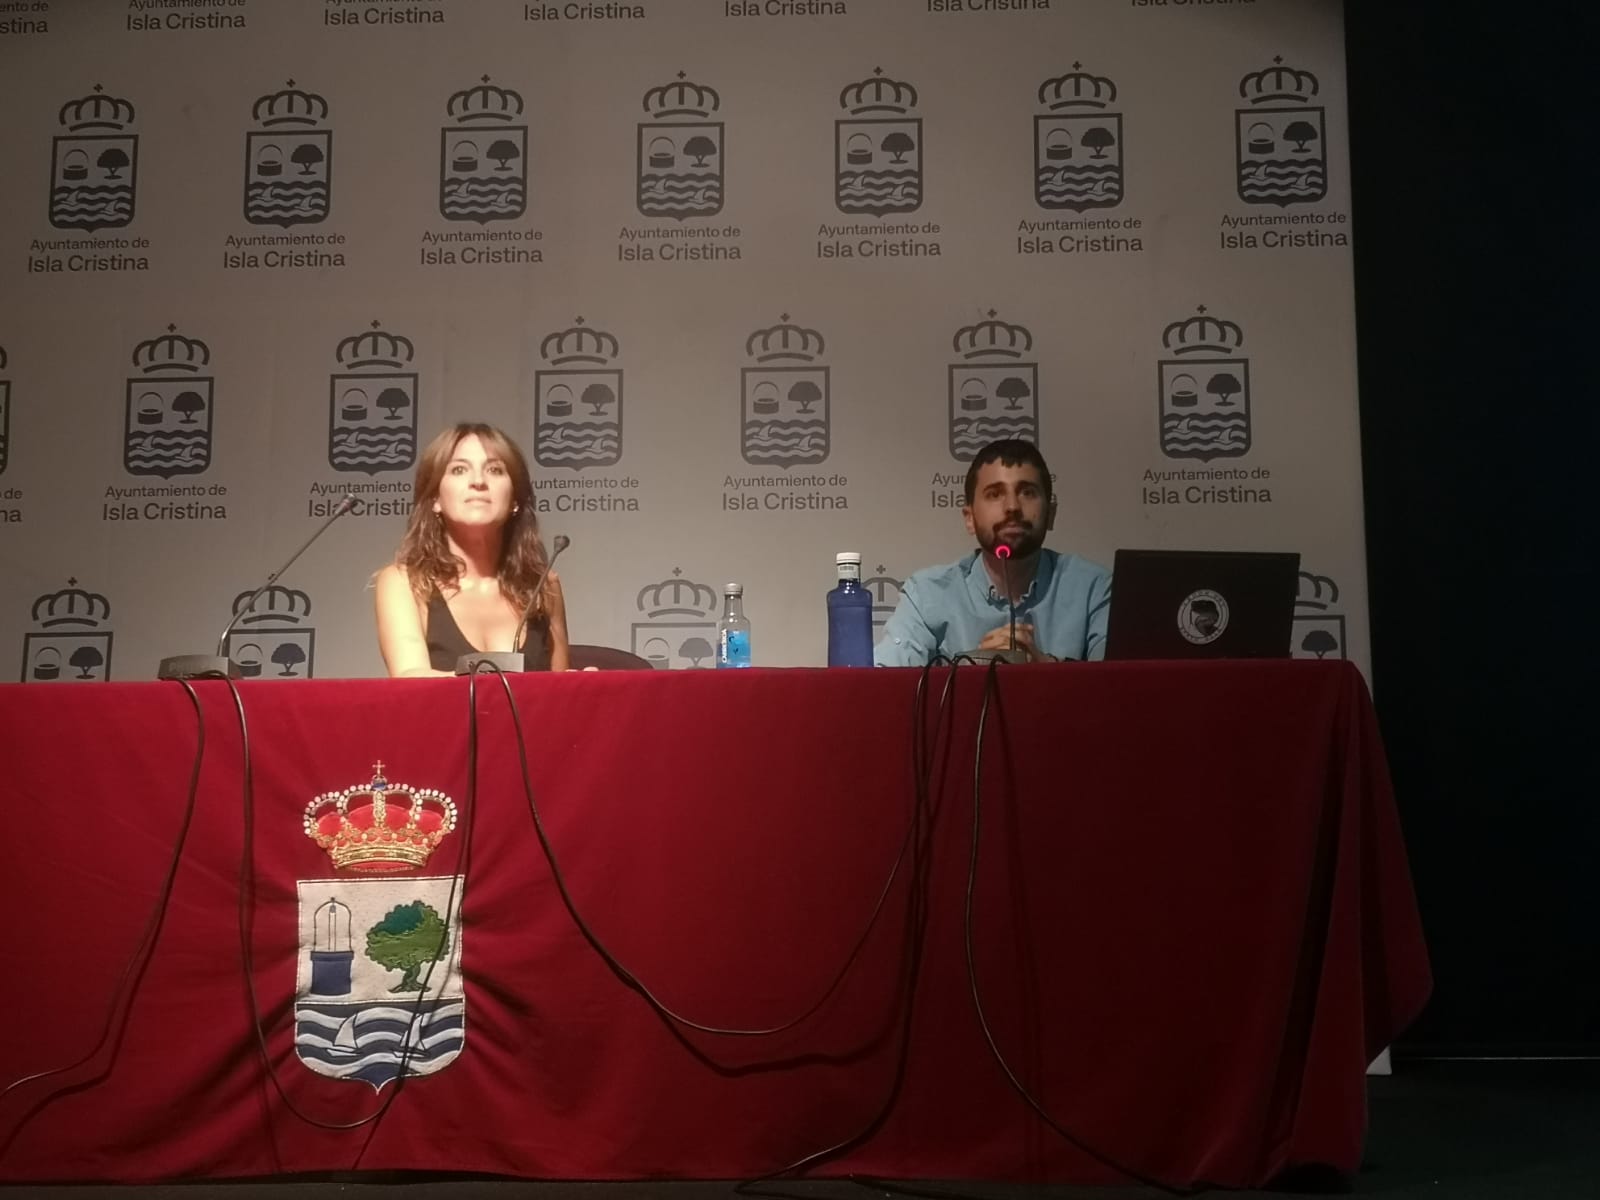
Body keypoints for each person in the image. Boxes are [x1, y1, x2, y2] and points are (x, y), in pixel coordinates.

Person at [875, 438, 1111, 665]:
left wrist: (1046, 670)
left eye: (1027, 492)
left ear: (1050, 514)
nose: (1012, 507)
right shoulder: (927, 594)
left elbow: (1119, 684)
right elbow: (888, 684)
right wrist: (972, 672)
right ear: (970, 518)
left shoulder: (1094, 589)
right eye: (995, 494)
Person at [375, 423, 570, 676]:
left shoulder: (544, 586)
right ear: (435, 498)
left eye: (494, 470)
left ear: (515, 499)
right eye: (459, 470)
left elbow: (559, 688)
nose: (478, 481)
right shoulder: (404, 583)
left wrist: (582, 684)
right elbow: (411, 678)